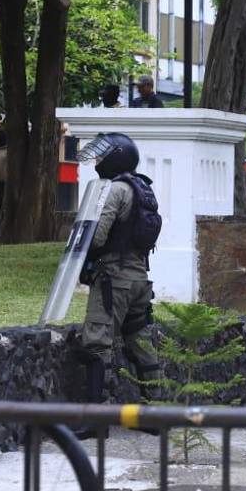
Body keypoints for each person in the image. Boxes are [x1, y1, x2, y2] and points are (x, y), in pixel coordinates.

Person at [79, 132, 164, 417]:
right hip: (140, 278)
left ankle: (93, 419)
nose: (97, 161)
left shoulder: (115, 189)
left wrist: (82, 258)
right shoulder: (143, 188)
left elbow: (98, 237)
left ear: (116, 157)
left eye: (102, 156)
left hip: (114, 279)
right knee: (141, 343)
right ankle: (157, 412)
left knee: (96, 343)